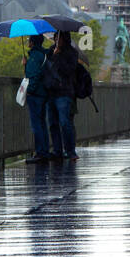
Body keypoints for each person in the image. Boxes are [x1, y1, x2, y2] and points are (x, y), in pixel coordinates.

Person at [44, 30, 82, 161]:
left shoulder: (72, 53)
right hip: (51, 91)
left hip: (64, 92)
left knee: (65, 122)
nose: (56, 41)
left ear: (65, 39)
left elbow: (68, 71)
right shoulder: (50, 51)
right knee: (52, 123)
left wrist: (58, 57)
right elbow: (46, 68)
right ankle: (57, 150)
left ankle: (70, 151)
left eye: (59, 38)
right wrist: (53, 56)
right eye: (55, 38)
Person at [23, 34, 54, 162]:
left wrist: (29, 91)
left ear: (32, 42)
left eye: (29, 40)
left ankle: (40, 152)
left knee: (36, 124)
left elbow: (33, 76)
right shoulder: (43, 55)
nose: (27, 42)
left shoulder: (35, 57)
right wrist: (26, 64)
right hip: (43, 94)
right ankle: (44, 151)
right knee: (42, 123)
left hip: (35, 95)